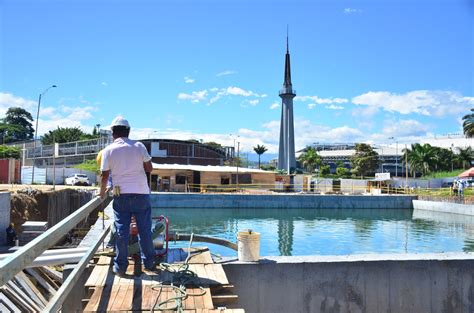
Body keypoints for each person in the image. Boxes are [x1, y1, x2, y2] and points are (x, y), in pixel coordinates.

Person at [99, 116, 155, 276]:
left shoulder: (108, 150)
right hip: (141, 193)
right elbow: (149, 168)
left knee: (122, 230)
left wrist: (102, 193)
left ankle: (120, 267)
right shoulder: (139, 146)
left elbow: (104, 175)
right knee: (144, 230)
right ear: (129, 131)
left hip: (120, 193)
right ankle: (149, 264)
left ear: (112, 133)